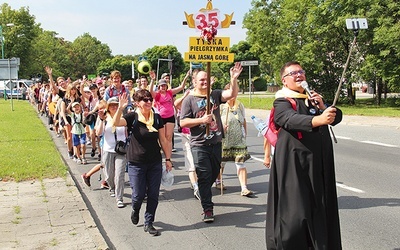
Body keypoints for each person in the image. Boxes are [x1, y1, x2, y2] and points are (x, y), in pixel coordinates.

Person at [265, 61, 342, 249]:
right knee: (296, 211)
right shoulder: (283, 100)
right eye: (293, 73)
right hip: (295, 164)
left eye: (301, 72)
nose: (299, 75)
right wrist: (317, 119)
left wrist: (324, 107)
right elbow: (288, 119)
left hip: (318, 162)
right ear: (284, 80)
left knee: (320, 206)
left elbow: (335, 117)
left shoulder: (312, 98)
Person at [180, 62, 243, 223]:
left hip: (215, 142)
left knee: (214, 173)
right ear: (194, 82)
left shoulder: (214, 94)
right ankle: (207, 208)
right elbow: (183, 122)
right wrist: (201, 119)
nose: (204, 82)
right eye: (201, 80)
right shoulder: (189, 99)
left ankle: (203, 190)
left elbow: (231, 94)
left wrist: (234, 79)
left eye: (206, 79)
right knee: (204, 175)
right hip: (199, 144)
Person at [113, 90, 173, 236]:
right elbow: (115, 123)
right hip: (136, 162)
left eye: (149, 99)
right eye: (144, 100)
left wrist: (168, 159)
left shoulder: (157, 118)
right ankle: (136, 208)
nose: (148, 102)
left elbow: (164, 139)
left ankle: (149, 222)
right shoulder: (132, 117)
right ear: (137, 103)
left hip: (154, 162)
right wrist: (120, 108)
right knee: (138, 194)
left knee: (153, 194)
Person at [219, 84, 253, 197]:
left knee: (240, 163)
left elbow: (243, 121)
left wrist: (245, 134)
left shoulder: (240, 106)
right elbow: (214, 122)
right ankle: (218, 181)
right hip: (224, 140)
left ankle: (244, 188)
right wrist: (221, 128)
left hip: (238, 141)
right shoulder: (221, 107)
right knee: (221, 163)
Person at [149, 71, 189, 158]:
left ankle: (168, 157)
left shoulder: (170, 93)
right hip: (161, 117)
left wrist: (186, 77)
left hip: (170, 117)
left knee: (169, 137)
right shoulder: (157, 95)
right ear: (159, 86)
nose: (163, 87)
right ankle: (162, 155)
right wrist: (152, 80)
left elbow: (181, 87)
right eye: (161, 85)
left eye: (164, 85)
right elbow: (150, 91)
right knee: (162, 138)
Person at [96, 97, 127, 208]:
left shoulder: (123, 117)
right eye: (112, 105)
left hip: (121, 150)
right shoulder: (104, 118)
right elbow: (98, 133)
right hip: (108, 150)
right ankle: (112, 187)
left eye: (116, 105)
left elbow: (127, 132)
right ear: (108, 107)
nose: (114, 107)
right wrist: (101, 120)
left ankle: (119, 198)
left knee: (119, 175)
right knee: (109, 175)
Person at [174, 89, 200, 200]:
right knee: (191, 164)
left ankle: (195, 182)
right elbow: (176, 104)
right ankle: (196, 187)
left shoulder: (198, 105)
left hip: (199, 136)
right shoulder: (184, 106)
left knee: (199, 163)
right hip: (187, 136)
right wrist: (186, 96)